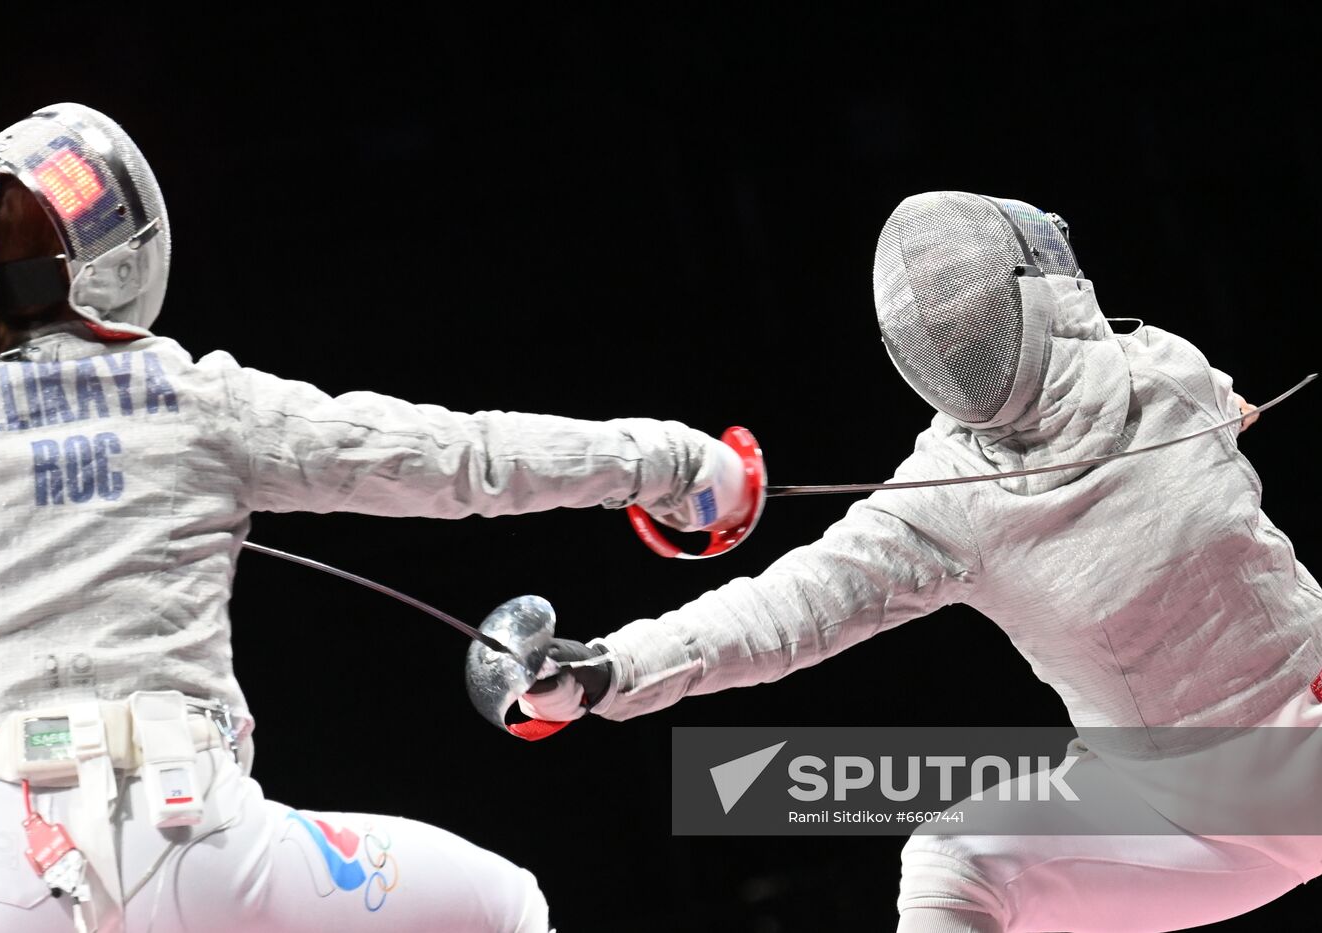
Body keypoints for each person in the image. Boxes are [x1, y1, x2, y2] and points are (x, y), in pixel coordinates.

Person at [0, 103, 752, 933]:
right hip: (194, 844)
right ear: (108, 261)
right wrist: (674, 465)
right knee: (503, 906)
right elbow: (464, 457)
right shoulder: (196, 400)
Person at [522, 191, 1322, 932]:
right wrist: (613, 666)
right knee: (957, 861)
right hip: (1172, 813)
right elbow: (783, 611)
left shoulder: (1165, 374)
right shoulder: (961, 488)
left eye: (967, 326)